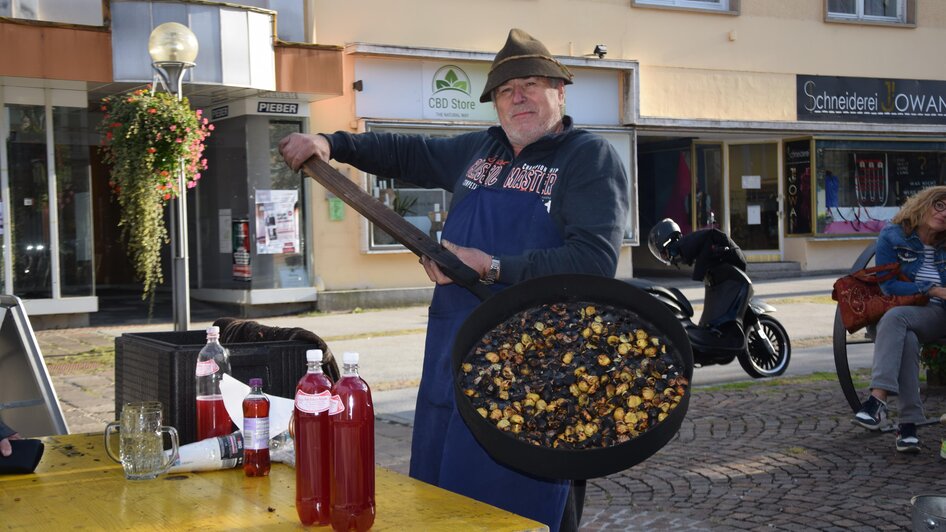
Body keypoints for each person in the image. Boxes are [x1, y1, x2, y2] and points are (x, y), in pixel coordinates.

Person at [280, 28, 629, 531]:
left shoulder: (587, 158)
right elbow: (404, 151)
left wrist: (489, 264)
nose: (519, 97)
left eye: (531, 84)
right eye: (507, 90)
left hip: (538, 369)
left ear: (559, 91)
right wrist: (331, 142)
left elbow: (593, 262)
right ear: (495, 104)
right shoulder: (478, 152)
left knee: (530, 510)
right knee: (445, 503)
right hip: (454, 359)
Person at [852, 186, 946, 453]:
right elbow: (888, 286)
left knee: (895, 319)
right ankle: (908, 426)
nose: (943, 213)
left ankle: (876, 400)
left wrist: (937, 294)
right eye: (939, 205)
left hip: (940, 314)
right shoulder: (892, 235)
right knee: (905, 336)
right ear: (924, 204)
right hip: (906, 312)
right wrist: (931, 289)